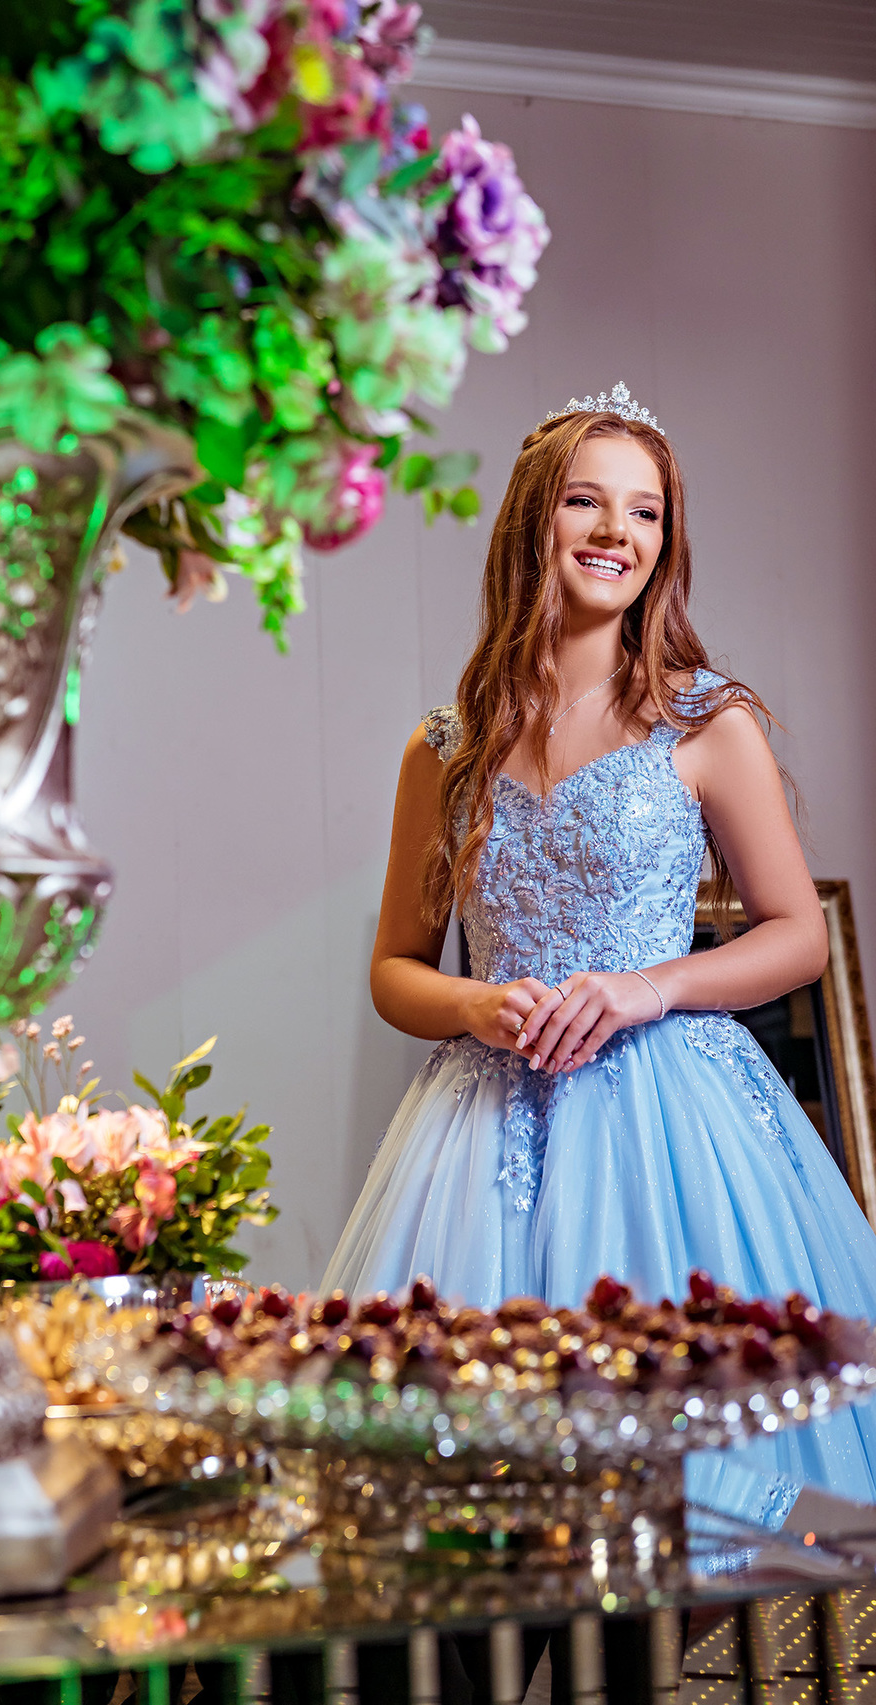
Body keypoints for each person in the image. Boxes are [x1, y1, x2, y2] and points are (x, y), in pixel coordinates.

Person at [322, 385, 876, 1515]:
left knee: (688, 1482)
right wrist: (473, 1006)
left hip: (671, 1118)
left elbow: (796, 936)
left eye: (646, 511)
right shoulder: (446, 747)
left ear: (667, 540)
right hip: (482, 1129)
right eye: (587, 501)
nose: (618, 531)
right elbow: (394, 970)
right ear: (535, 520)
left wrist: (647, 987)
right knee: (468, 1485)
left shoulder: (705, 722)